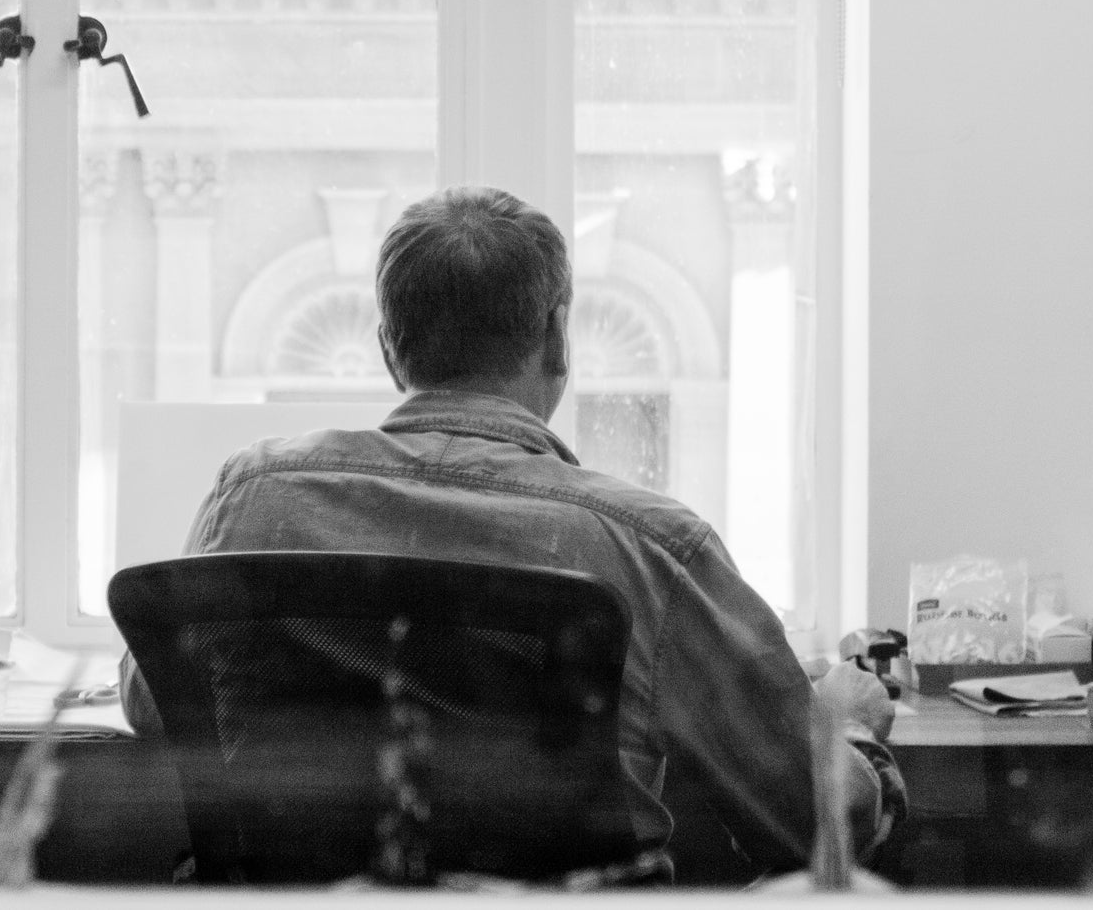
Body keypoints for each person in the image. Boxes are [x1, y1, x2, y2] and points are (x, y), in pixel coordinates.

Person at [119, 186, 902, 884]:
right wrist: (852, 720)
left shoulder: (257, 496)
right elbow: (819, 823)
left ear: (390, 345)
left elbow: (157, 706)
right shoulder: (646, 546)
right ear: (559, 337)